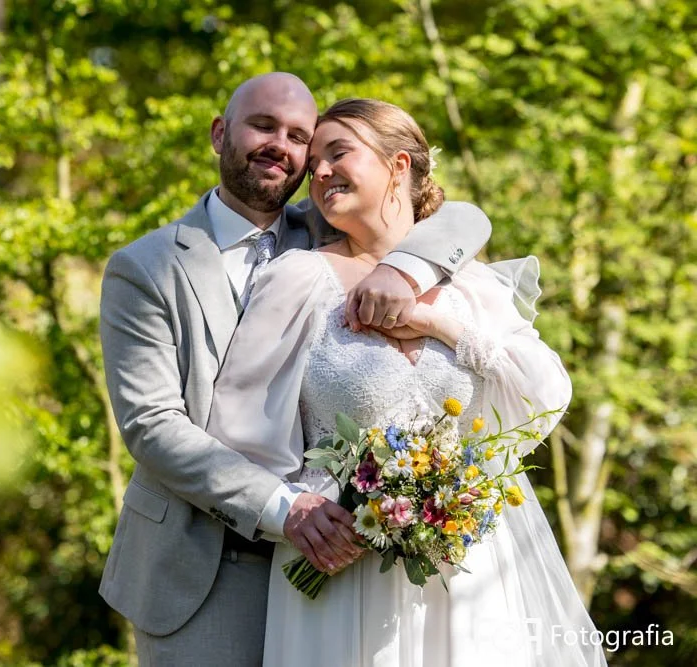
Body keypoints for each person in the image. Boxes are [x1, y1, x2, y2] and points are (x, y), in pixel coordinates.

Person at [99, 74, 492, 665]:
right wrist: (289, 509)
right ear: (219, 133)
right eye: (263, 125)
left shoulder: (329, 228)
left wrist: (406, 270)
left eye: (299, 136)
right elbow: (152, 425)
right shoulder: (146, 267)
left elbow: (461, 218)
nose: (280, 144)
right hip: (201, 568)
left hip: (341, 577)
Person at [207, 98, 607, 666]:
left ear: (398, 166)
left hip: (471, 570)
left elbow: (546, 392)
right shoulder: (297, 279)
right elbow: (237, 426)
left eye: (337, 153)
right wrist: (295, 509)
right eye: (314, 161)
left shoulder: (468, 285)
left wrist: (437, 323)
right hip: (341, 567)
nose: (317, 172)